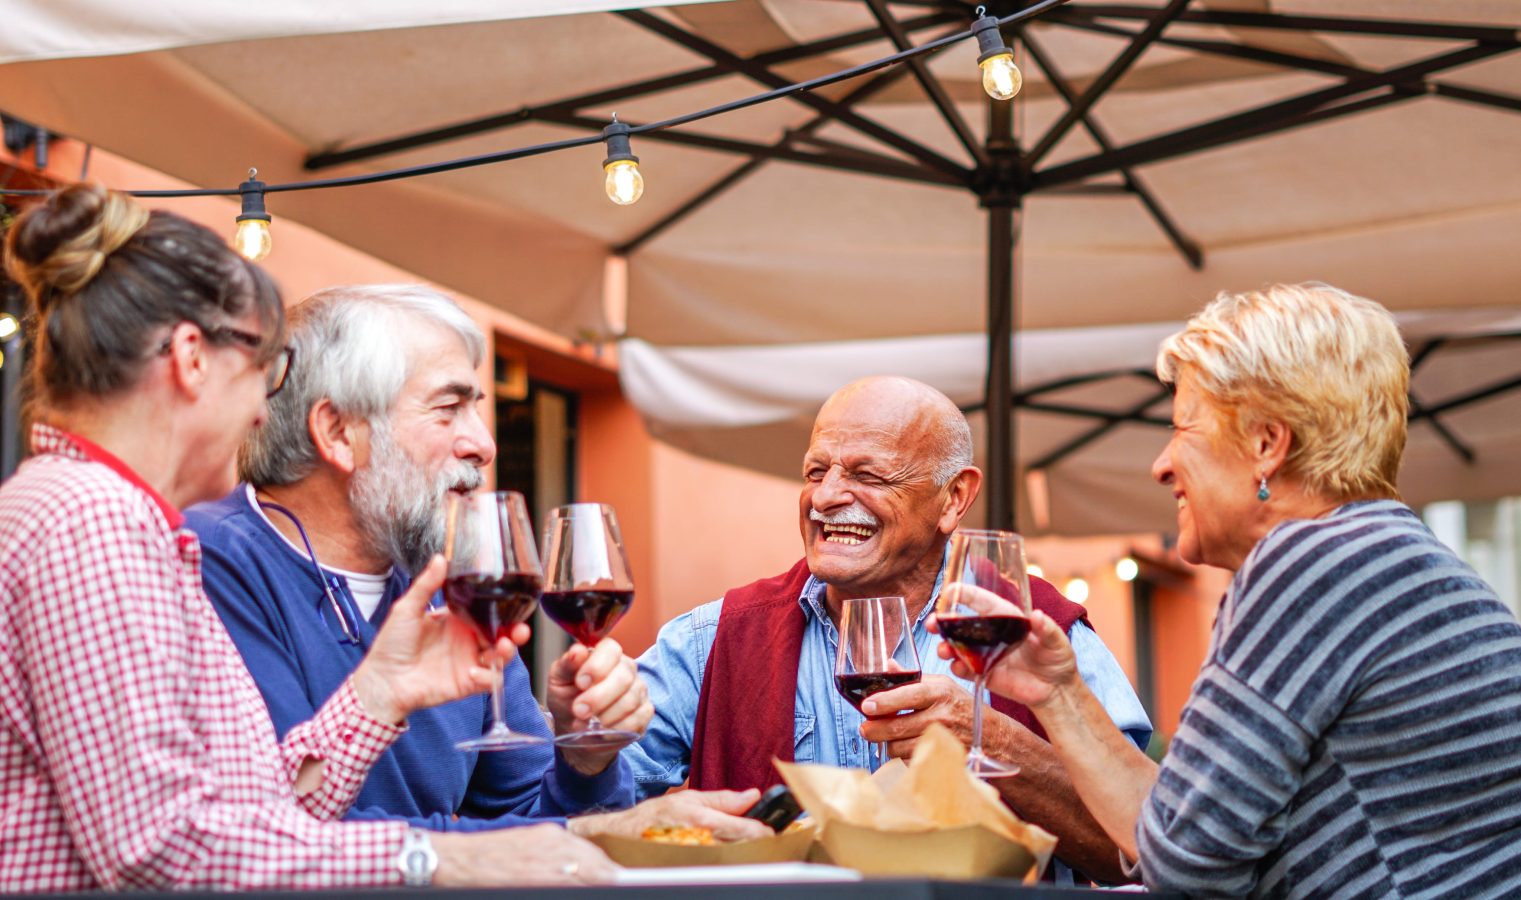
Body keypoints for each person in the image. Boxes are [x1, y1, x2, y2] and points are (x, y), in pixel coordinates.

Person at [0, 185, 622, 890]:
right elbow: (160, 848)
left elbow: (254, 814)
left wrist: (379, 695)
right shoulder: (93, 523)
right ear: (191, 359)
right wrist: (433, 858)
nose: (267, 414)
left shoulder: (93, 514)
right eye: (265, 371)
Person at [951, 283, 1521, 898]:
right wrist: (1057, 693)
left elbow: (1188, 871)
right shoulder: (1402, 563)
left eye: (1181, 429)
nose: (1161, 465)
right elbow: (1180, 831)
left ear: (1266, 445)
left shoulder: (1307, 566)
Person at [187, 283, 766, 841]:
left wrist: (584, 756)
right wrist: (589, 829)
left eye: (476, 409)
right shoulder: (207, 566)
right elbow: (272, 833)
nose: (484, 444)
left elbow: (527, 817)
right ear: (338, 431)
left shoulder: (451, 586)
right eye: (449, 409)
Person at [626, 375, 1153, 883]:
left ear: (953, 499)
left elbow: (1146, 851)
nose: (826, 496)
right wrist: (589, 751)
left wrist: (998, 744)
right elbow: (586, 803)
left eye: (868, 475)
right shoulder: (711, 638)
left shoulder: (1040, 634)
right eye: (815, 472)